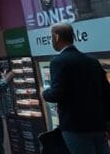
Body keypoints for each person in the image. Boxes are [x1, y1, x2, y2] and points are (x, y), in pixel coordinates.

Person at [42, 22, 110, 154]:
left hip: (75, 127)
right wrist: (107, 121)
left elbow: (56, 93)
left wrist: (44, 93)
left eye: (51, 37)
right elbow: (106, 92)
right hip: (97, 124)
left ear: (56, 37)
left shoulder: (58, 61)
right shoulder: (92, 61)